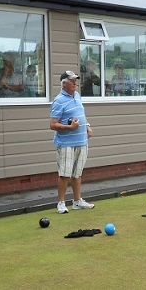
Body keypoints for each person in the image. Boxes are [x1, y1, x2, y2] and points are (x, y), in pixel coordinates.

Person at [50, 70, 94, 214]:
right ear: (64, 84)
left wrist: (87, 126)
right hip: (66, 143)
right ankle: (61, 203)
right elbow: (53, 124)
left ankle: (77, 201)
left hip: (81, 141)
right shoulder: (58, 101)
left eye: (76, 80)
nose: (75, 83)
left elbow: (81, 114)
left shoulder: (77, 95)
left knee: (77, 174)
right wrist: (70, 127)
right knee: (65, 174)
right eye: (72, 80)